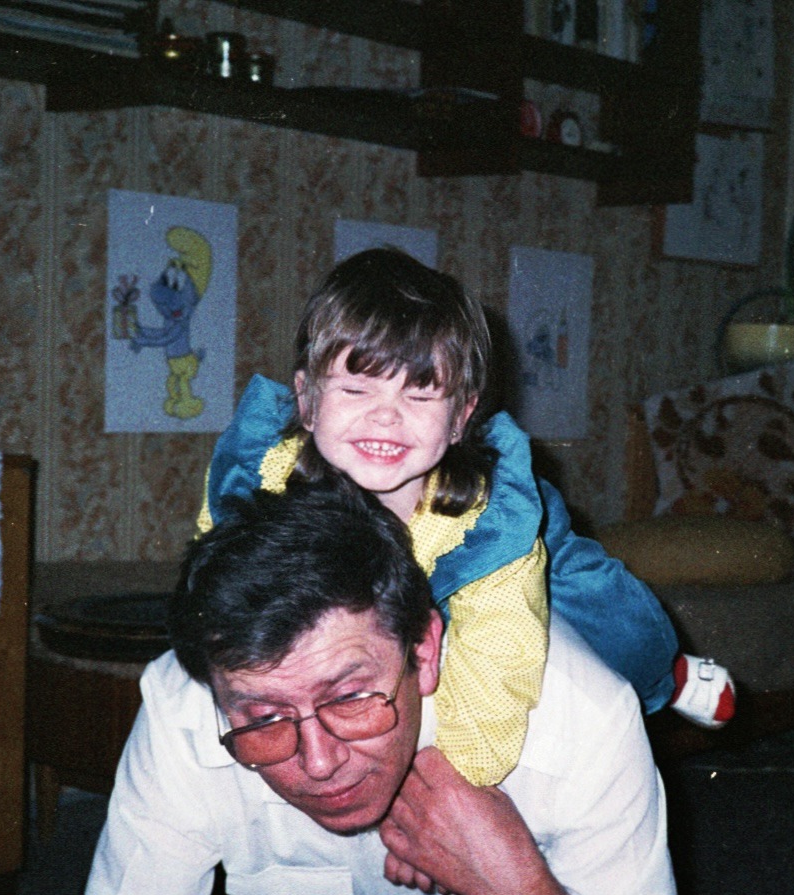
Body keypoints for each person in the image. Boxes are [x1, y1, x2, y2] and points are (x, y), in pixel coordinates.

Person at [48, 480, 699, 895]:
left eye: (351, 696)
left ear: (424, 651)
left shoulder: (579, 710)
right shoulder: (185, 710)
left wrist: (523, 891)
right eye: (264, 717)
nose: (319, 762)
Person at [195, 247, 734, 788]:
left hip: (514, 539)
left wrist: (459, 776)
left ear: (460, 418)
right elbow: (220, 581)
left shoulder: (489, 525)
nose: (385, 416)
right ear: (307, 402)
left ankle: (669, 673)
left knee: (609, 614)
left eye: (420, 395)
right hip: (376, 555)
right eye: (356, 389)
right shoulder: (261, 479)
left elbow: (501, 659)